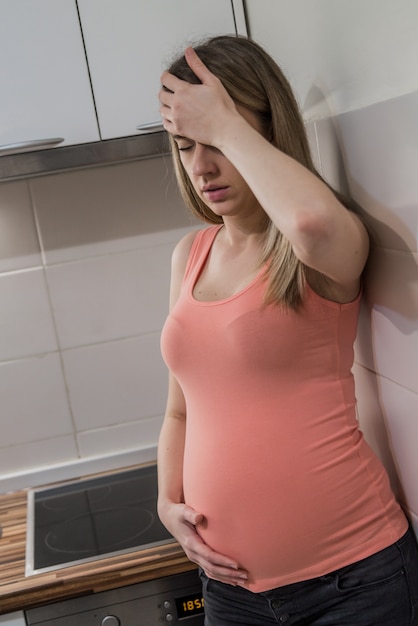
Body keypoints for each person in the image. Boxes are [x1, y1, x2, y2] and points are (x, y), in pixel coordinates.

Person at [156, 35, 418, 625]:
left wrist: (224, 123)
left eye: (216, 141)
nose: (200, 166)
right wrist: (166, 501)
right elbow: (181, 410)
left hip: (355, 584)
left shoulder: (319, 244)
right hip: (230, 592)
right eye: (184, 146)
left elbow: (307, 220)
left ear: (264, 132)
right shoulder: (190, 255)